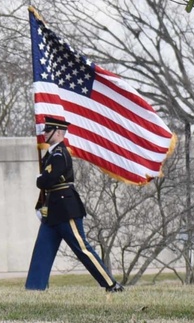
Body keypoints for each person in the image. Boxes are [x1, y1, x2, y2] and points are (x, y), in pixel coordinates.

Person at [25, 116, 123, 292]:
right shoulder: (51, 154)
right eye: (45, 130)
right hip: (53, 210)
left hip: (65, 209)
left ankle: (110, 284)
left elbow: (48, 180)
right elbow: (47, 183)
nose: (45, 133)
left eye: (49, 130)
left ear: (59, 132)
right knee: (42, 250)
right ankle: (34, 288)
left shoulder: (60, 153)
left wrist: (40, 180)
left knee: (82, 248)